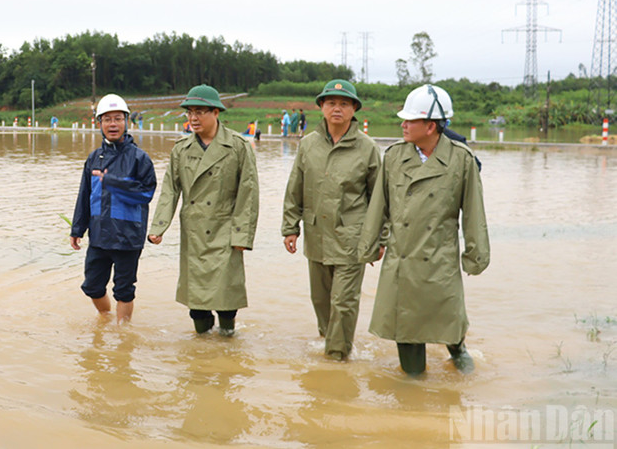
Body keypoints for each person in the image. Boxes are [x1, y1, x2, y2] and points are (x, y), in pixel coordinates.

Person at [357, 84, 490, 375]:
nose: (402, 125)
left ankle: (458, 350)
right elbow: (379, 205)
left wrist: (475, 256)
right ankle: (413, 390)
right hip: (401, 255)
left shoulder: (461, 159)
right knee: (406, 328)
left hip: (438, 256)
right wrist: (369, 245)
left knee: (449, 317)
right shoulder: (393, 156)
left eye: (409, 120)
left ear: (431, 126)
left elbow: (473, 213)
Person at [281, 79, 382, 361]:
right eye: (331, 103)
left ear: (354, 110)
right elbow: (295, 188)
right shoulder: (308, 145)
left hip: (353, 237)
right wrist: (291, 227)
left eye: (344, 104)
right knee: (321, 300)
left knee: (344, 302)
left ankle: (337, 357)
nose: (337, 108)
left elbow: (380, 199)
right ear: (322, 107)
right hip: (317, 234)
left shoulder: (367, 148)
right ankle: (330, 341)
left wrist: (380, 239)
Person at [148, 84, 259, 336]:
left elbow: (248, 194)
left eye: (199, 112)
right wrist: (158, 228)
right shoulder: (181, 149)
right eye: (189, 113)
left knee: (226, 301)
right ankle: (201, 354)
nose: (193, 118)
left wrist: (242, 236)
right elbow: (170, 191)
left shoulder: (238, 147)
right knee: (196, 303)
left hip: (225, 231)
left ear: (216, 112)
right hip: (195, 232)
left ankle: (228, 346)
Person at [70, 94, 157, 324]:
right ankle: (105, 319)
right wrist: (77, 228)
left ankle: (122, 333)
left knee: (124, 290)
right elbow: (84, 195)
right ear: (99, 124)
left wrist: (112, 182)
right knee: (92, 286)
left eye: (118, 118)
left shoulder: (140, 158)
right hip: (99, 234)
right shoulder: (93, 159)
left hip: (128, 235)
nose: (112, 124)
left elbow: (145, 193)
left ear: (126, 121)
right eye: (107, 119)